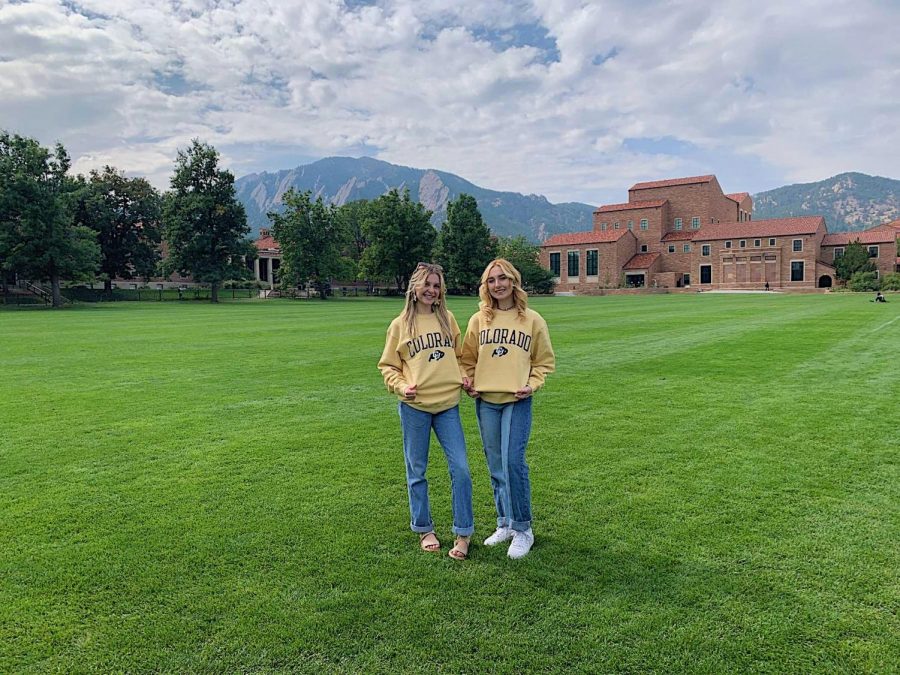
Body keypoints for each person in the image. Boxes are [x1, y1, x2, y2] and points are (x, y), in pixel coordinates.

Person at [378, 263, 474, 560]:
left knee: (461, 468)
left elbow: (459, 357)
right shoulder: (400, 326)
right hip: (415, 408)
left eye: (437, 286)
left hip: (448, 406)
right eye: (427, 285)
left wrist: (464, 376)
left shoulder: (448, 320)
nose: (432, 290)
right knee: (416, 471)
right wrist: (401, 386)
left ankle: (463, 532)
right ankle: (424, 527)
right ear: (415, 288)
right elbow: (388, 366)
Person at [461, 259, 555, 559]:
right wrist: (470, 381)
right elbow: (467, 359)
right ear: (485, 286)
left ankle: (523, 528)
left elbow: (543, 361)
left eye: (503, 278)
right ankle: (504, 523)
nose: (498, 284)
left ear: (514, 281)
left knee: (514, 462)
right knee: (496, 465)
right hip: (487, 401)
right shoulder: (479, 320)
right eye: (491, 280)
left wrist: (533, 384)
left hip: (517, 400)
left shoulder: (532, 320)